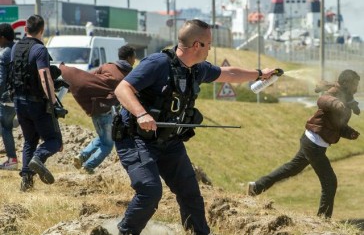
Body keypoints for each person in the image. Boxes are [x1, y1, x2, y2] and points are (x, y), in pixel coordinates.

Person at [113, 19, 276, 235]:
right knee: (150, 191)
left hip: (169, 142)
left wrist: (259, 74)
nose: (211, 48)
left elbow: (229, 74)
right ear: (197, 45)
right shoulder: (157, 64)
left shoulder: (196, 69)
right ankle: (125, 232)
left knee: (191, 194)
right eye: (208, 43)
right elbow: (122, 89)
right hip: (137, 139)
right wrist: (141, 113)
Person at [247, 69, 360, 219]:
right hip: (314, 144)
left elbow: (335, 124)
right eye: (354, 85)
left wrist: (350, 133)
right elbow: (323, 100)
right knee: (330, 182)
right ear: (346, 83)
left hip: (312, 142)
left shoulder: (345, 97)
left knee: (291, 169)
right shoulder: (335, 93)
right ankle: (323, 219)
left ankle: (256, 187)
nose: (356, 88)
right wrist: (340, 104)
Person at [59, 45, 136, 174]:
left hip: (95, 107)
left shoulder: (107, 66)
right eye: (134, 57)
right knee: (108, 145)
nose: (135, 60)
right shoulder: (129, 76)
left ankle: (82, 156)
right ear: (129, 58)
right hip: (106, 111)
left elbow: (90, 78)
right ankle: (88, 166)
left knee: (102, 138)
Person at [10, 15, 63, 191]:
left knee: (29, 140)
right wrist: (53, 101)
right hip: (36, 102)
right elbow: (44, 76)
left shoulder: (16, 47)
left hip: (18, 100)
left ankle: (26, 182)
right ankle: (38, 158)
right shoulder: (40, 49)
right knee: (54, 140)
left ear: (25, 29)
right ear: (42, 30)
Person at [0, 23, 17, 170]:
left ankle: (12, 159)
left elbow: (1, 80)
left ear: (3, 38)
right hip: (21, 96)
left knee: (5, 127)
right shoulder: (18, 49)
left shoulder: (4, 53)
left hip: (6, 98)